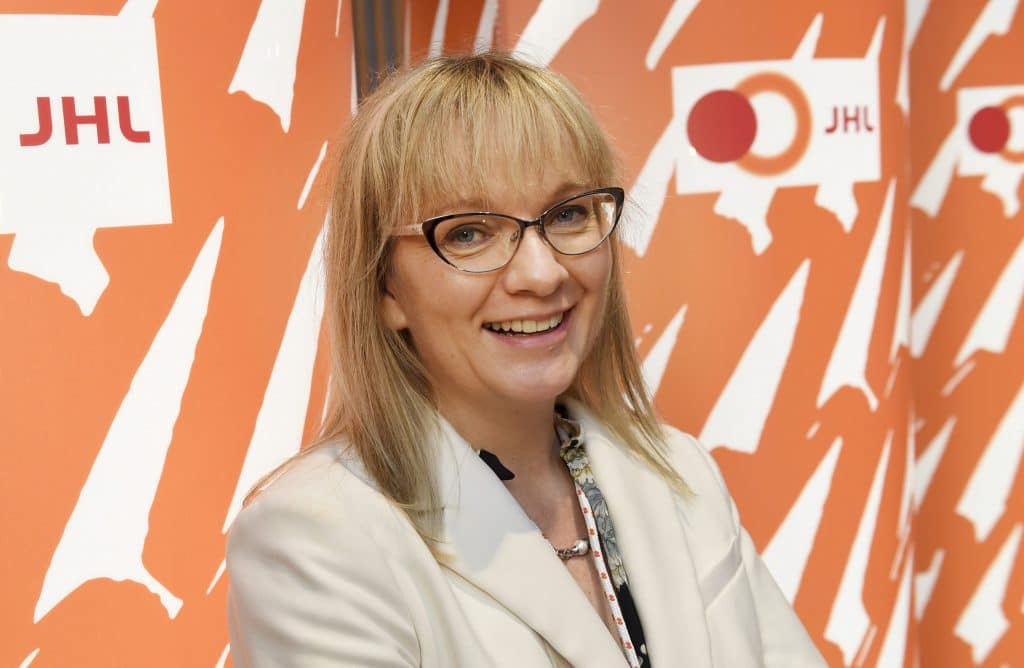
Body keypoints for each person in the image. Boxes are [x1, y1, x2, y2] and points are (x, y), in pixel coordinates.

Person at [225, 51, 826, 668]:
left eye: (567, 215)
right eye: (469, 232)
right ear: (385, 289)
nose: (542, 273)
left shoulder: (679, 472)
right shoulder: (314, 536)